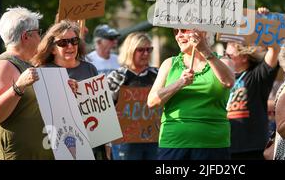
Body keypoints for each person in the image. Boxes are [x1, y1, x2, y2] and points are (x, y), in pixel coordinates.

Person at [147, 29, 234, 160]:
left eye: (184, 30)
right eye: (176, 31)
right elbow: (152, 102)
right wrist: (180, 83)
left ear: (203, 32)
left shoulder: (224, 61)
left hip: (213, 144)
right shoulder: (169, 64)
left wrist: (204, 50)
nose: (179, 35)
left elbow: (228, 82)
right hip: (173, 143)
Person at [0, 7, 53, 159]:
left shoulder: (26, 63)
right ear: (26, 36)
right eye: (37, 33)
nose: (40, 38)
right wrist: (18, 86)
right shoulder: (4, 65)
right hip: (11, 152)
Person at [31, 20, 107, 159]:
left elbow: (100, 111)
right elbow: (37, 110)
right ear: (52, 48)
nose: (70, 46)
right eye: (63, 43)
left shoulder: (89, 68)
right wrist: (63, 93)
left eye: (74, 40)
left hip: (92, 143)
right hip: (56, 145)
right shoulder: (42, 72)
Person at [225, 7, 279, 160]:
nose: (225, 57)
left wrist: (265, 22)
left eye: (229, 55)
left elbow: (274, 51)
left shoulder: (257, 75)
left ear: (244, 57)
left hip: (252, 147)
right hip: (226, 144)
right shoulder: (224, 76)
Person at [106, 32, 159, 160]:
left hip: (154, 141)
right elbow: (106, 110)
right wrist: (107, 143)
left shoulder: (157, 75)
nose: (146, 54)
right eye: (141, 50)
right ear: (130, 50)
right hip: (125, 143)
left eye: (149, 49)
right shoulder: (117, 76)